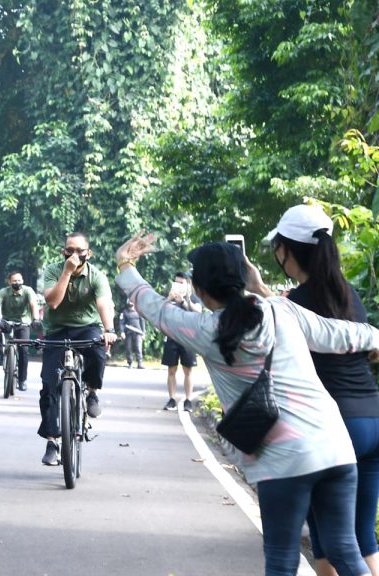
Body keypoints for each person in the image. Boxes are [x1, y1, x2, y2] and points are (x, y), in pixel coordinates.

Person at [115, 233, 378, 576]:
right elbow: (340, 334)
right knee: (345, 550)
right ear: (242, 279)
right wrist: (375, 338)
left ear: (199, 288)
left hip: (283, 462)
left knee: (282, 560)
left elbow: (154, 307)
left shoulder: (204, 329)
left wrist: (125, 264)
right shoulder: (281, 309)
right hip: (335, 447)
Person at [263, 204, 379, 576]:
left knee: (328, 540)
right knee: (363, 536)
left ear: (286, 250)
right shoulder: (349, 295)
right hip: (373, 419)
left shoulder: (295, 304)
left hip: (333, 428)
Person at [39, 232, 117, 466]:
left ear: (88, 254)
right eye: (69, 250)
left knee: (97, 351)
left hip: (87, 327)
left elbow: (104, 303)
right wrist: (67, 272)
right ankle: (52, 440)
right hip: (56, 329)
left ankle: (92, 390)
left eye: (79, 251)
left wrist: (109, 329)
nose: (74, 255)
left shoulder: (97, 276)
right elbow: (53, 301)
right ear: (63, 251)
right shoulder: (54, 270)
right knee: (48, 384)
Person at [161, 271, 202, 412]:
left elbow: (197, 312)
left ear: (188, 284)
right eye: (176, 282)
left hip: (188, 339)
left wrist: (184, 301)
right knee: (171, 370)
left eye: (181, 283)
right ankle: (171, 399)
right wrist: (168, 299)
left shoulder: (194, 297)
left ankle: (188, 400)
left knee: (188, 370)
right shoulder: (170, 297)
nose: (178, 285)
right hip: (172, 337)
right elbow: (161, 312)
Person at [0, 271, 41, 391]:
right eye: (14, 281)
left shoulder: (28, 291)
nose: (17, 283)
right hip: (7, 322)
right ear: (9, 282)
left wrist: (35, 319)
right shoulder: (4, 292)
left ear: (23, 281)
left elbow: (33, 305)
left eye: (19, 280)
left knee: (24, 350)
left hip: (23, 323)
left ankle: (22, 380)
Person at [121, 301, 146, 369]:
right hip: (128, 333)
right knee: (128, 348)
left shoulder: (139, 311)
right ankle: (130, 363)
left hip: (138, 333)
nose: (131, 303)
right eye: (129, 302)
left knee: (138, 348)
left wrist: (144, 333)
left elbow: (142, 322)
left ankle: (140, 363)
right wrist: (122, 332)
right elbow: (122, 323)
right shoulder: (124, 312)